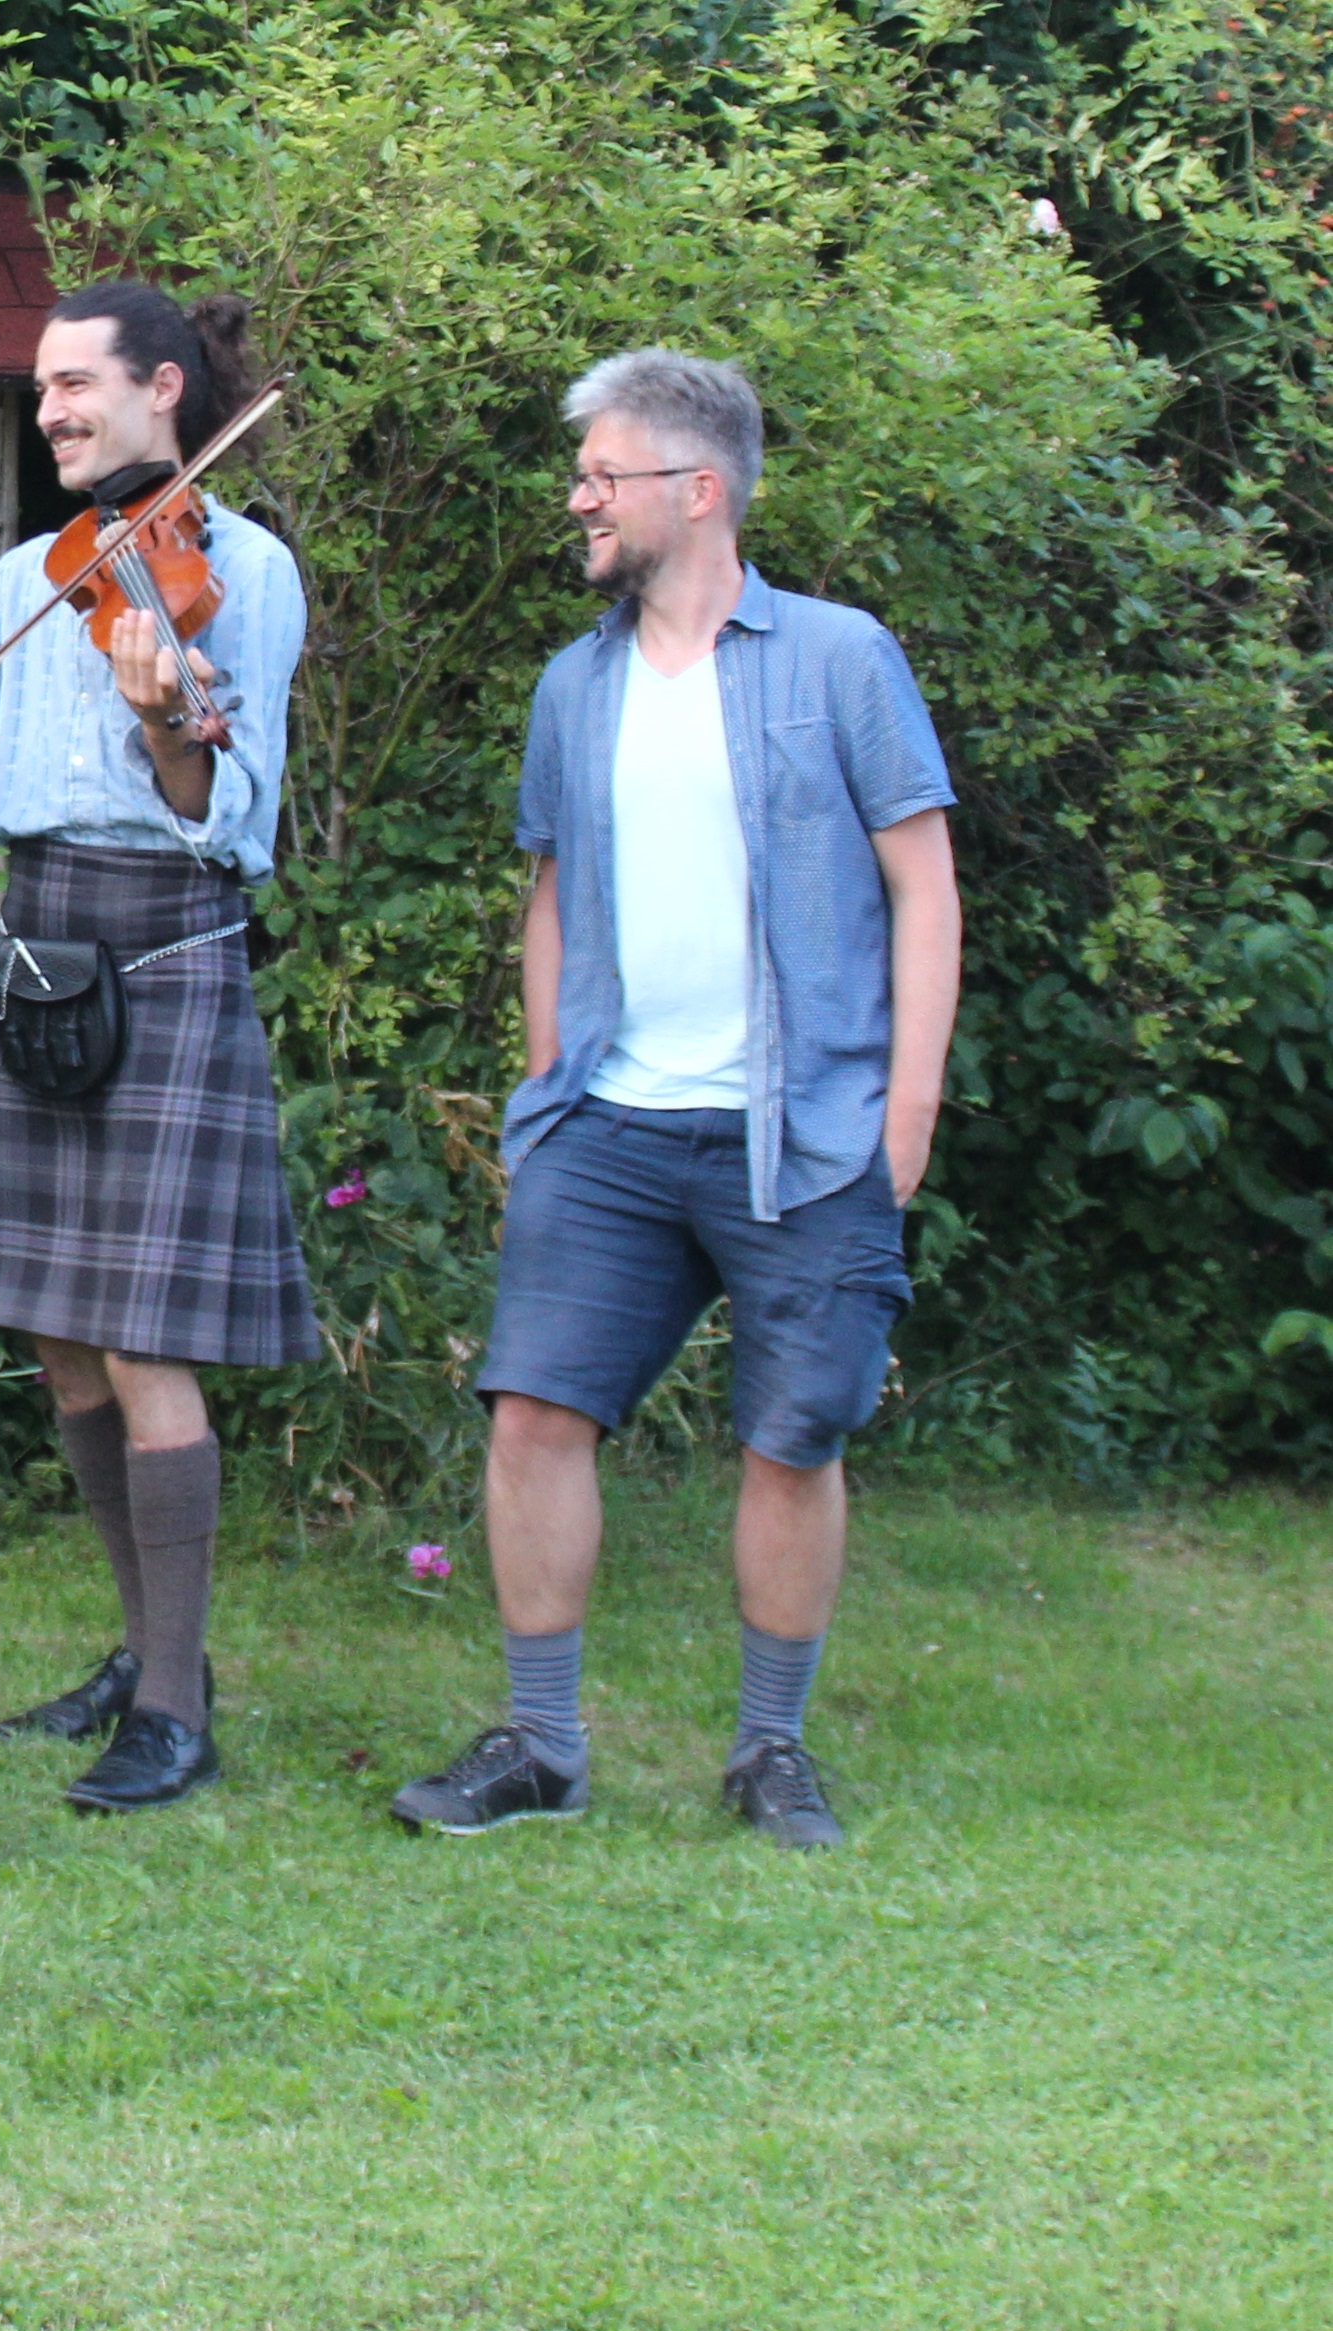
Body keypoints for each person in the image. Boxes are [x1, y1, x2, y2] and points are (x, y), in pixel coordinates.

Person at [388, 348, 960, 1851]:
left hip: (810, 1128)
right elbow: (552, 892)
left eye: (601, 473)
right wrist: (540, 1090)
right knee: (531, 1416)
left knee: (792, 1437)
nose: (575, 496)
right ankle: (541, 1741)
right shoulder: (569, 686)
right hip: (610, 1125)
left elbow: (922, 885)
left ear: (694, 491)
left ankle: (769, 1750)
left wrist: (904, 1113)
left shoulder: (839, 658)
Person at [0, 281, 315, 1816]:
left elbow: (226, 813)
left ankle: (174, 1710)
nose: (48, 410)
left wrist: (168, 719)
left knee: (140, 1335)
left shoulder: (241, 573)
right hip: (40, 944)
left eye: (71, 385)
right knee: (60, 1329)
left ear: (163, 389)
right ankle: (139, 1651)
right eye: (38, 390)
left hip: (165, 941)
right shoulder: (31, 570)